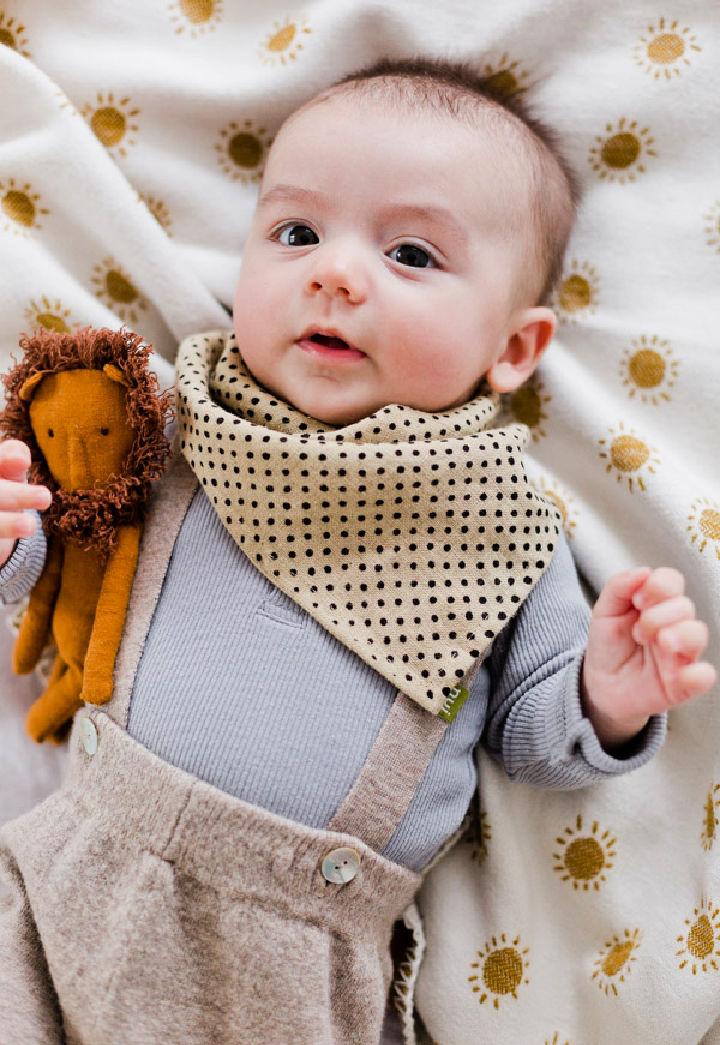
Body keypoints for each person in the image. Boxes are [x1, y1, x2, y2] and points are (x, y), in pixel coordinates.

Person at [0, 58, 715, 1045]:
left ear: (513, 349)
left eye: (412, 254)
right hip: (67, 878)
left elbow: (525, 736)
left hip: (295, 956)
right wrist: (12, 542)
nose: (334, 272)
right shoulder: (189, 434)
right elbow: (75, 564)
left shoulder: (499, 528)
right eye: (296, 234)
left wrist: (606, 693)